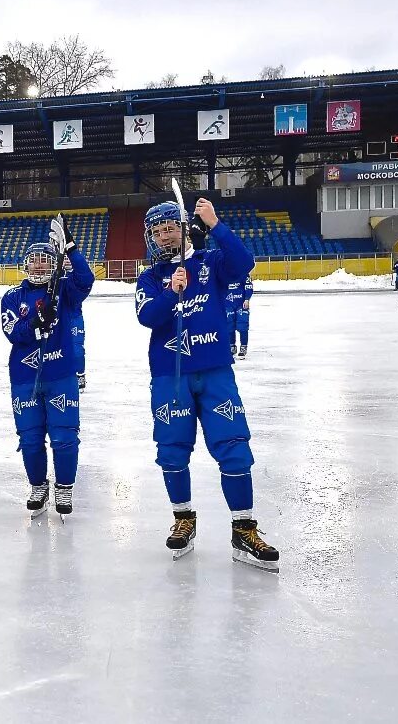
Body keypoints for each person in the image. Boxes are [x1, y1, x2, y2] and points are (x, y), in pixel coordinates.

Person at [135, 198, 279, 572]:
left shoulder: (211, 262)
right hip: (171, 376)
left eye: (171, 228)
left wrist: (215, 225)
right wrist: (171, 292)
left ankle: (243, 529)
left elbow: (244, 263)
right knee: (171, 450)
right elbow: (148, 317)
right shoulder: (149, 278)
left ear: (184, 229)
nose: (165, 236)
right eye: (158, 231)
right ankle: (184, 518)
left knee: (233, 447)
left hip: (215, 371)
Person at [0, 220, 94, 518]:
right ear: (25, 265)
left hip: (60, 375)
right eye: (34, 261)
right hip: (25, 377)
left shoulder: (65, 290)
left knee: (64, 436)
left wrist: (71, 248)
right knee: (29, 437)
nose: (39, 266)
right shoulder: (11, 297)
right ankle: (38, 485)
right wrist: (35, 323)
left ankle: (64, 486)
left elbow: (86, 279)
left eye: (45, 261)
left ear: (55, 264)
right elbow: (13, 332)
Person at [224, 274, 253, 359]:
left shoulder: (243, 272)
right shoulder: (223, 272)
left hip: (241, 304)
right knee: (229, 326)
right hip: (228, 303)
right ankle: (231, 347)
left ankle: (243, 347)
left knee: (243, 325)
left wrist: (247, 299)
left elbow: (248, 286)